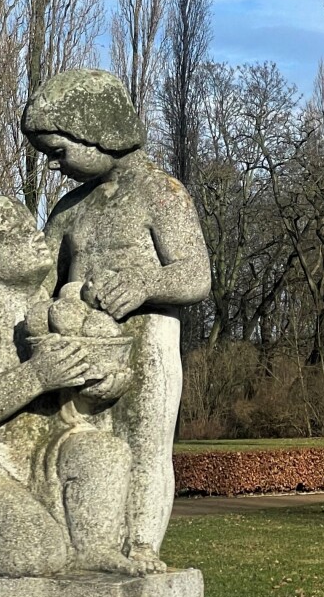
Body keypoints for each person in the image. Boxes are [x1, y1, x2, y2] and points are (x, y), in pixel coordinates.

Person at [23, 69, 211, 571]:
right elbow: (39, 280)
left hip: (146, 340)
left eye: (60, 151)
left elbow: (196, 274)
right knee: (83, 445)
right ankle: (89, 548)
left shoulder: (160, 194)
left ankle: (142, 545)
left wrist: (146, 285)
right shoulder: (67, 211)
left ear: (98, 132)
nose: (57, 165)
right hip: (79, 345)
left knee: (144, 445)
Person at [0, 194, 142, 577]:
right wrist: (36, 376)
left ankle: (95, 550)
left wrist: (98, 387)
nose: (32, 235)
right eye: (12, 233)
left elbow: (66, 403)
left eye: (30, 226)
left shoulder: (53, 313)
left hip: (44, 449)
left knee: (106, 452)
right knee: (36, 552)